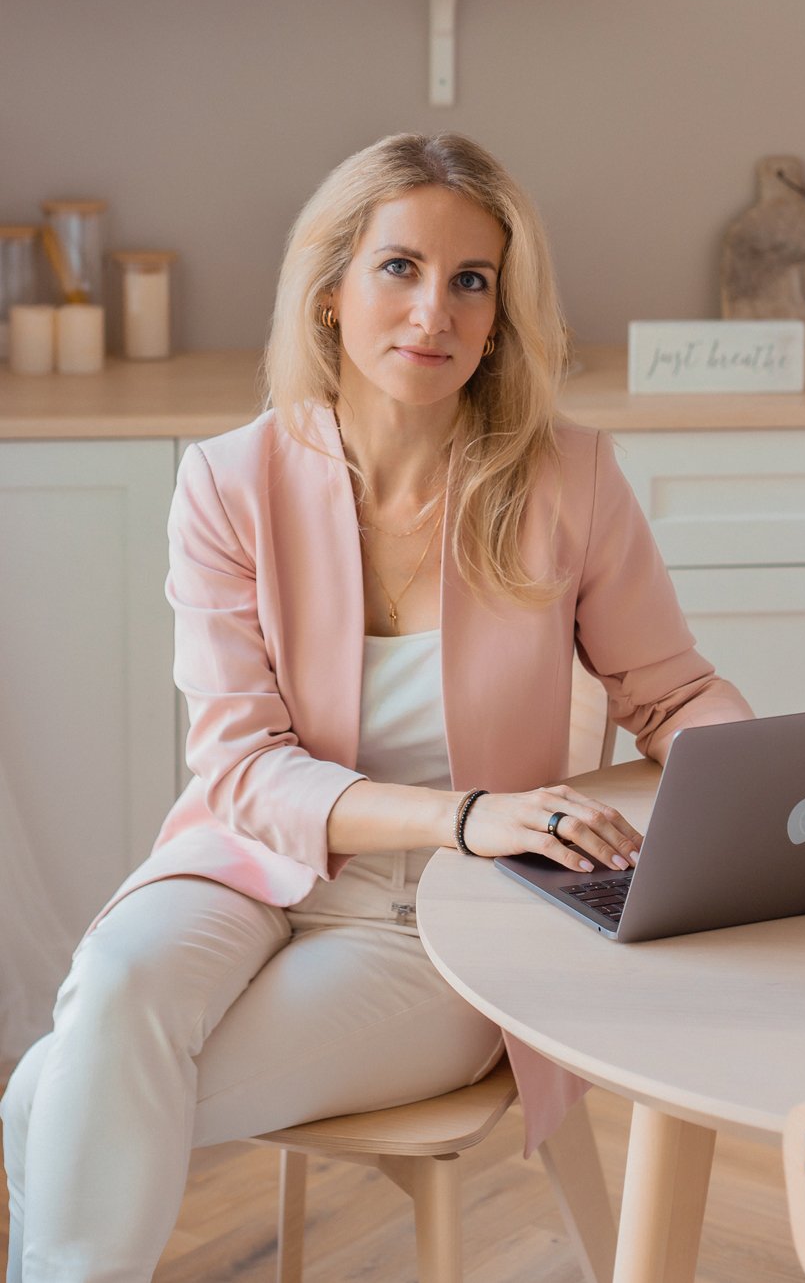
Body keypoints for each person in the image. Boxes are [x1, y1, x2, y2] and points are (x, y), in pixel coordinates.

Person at [1, 131, 753, 1282]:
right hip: (245, 867)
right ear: (330, 290)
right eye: (399, 268)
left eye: (471, 281)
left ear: (500, 312)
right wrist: (465, 811)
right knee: (116, 984)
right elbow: (242, 769)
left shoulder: (566, 479)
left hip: (451, 925)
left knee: (52, 1091)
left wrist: (762, 780)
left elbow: (673, 693)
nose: (432, 314)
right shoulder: (228, 481)